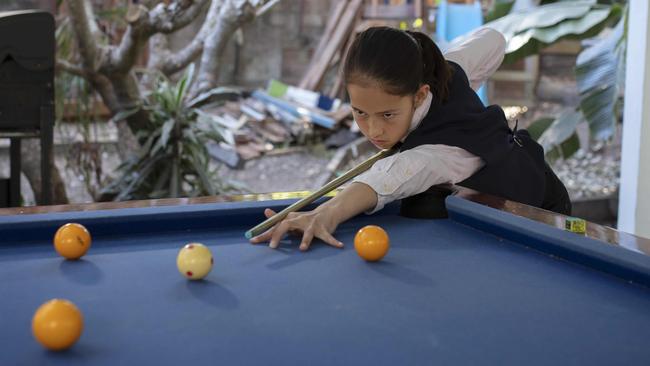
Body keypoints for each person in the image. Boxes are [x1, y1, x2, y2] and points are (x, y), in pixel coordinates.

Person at [250, 26, 571, 251]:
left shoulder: (441, 153)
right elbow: (492, 40)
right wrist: (450, 71)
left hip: (540, 208)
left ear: (419, 96)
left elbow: (386, 179)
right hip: (497, 197)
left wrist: (326, 214)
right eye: (360, 112)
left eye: (388, 115)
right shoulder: (448, 68)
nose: (374, 130)